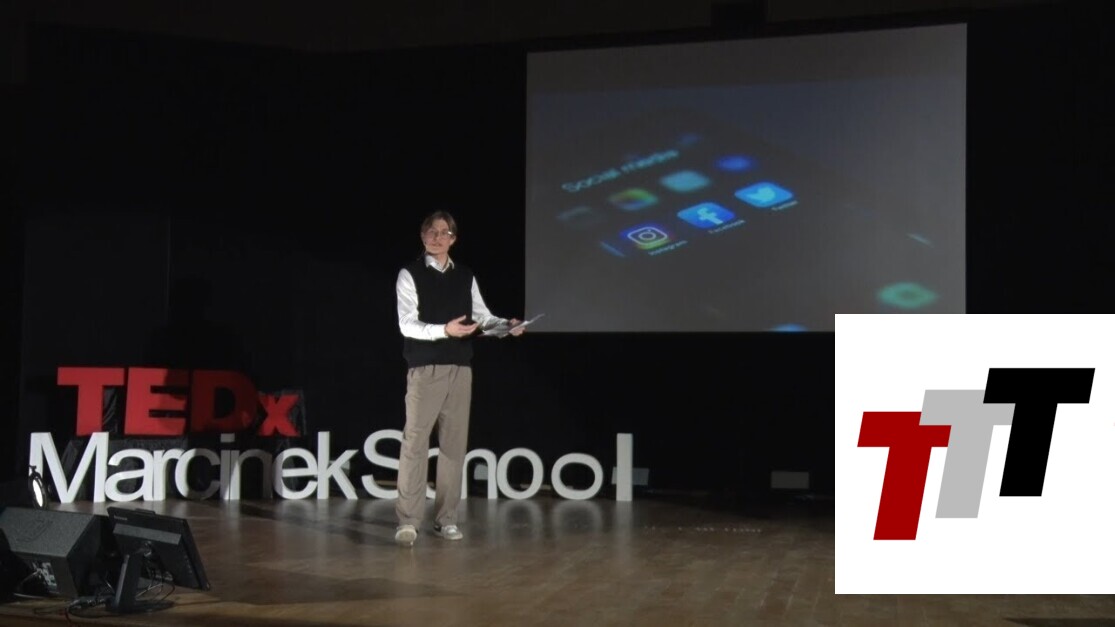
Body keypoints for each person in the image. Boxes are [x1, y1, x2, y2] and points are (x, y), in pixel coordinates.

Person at [393, 210, 525, 547]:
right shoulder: (410, 274)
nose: (437, 237)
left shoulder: (465, 275)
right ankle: (408, 521)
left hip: (460, 369)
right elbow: (406, 323)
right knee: (415, 444)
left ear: (453, 239)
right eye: (432, 231)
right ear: (423, 235)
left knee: (453, 447)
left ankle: (446, 519)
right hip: (425, 369)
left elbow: (481, 317)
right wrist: (444, 330)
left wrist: (506, 327)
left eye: (444, 233)